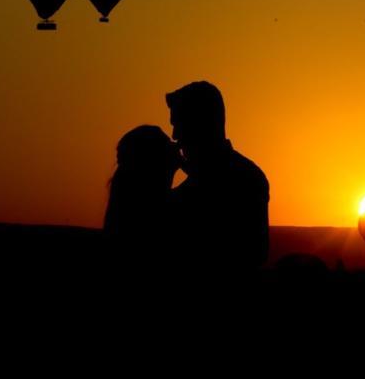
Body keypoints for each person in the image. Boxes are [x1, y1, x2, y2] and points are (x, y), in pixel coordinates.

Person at [166, 81, 269, 273]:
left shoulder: (243, 179)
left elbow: (255, 252)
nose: (175, 135)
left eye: (180, 125)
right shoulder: (249, 174)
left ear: (202, 124)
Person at [103, 125, 181, 271]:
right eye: (167, 143)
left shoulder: (130, 208)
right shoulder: (165, 209)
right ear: (152, 158)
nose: (175, 145)